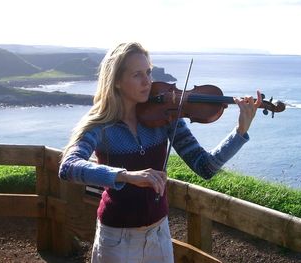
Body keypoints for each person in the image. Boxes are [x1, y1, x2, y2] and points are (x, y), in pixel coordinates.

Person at [58, 42, 262, 263]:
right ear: (116, 81)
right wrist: (125, 175)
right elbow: (68, 167)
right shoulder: (101, 126)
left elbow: (205, 167)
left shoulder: (166, 117)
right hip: (117, 238)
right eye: (137, 75)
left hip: (159, 234)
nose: (148, 82)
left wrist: (240, 131)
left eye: (149, 72)